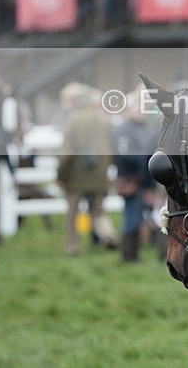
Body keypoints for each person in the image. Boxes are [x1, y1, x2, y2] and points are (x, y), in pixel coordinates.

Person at [56, 85, 114, 256]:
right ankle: (108, 236)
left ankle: (72, 246)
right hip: (100, 175)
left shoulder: (72, 122)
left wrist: (60, 175)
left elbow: (66, 155)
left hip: (76, 177)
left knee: (72, 212)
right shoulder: (105, 120)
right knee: (98, 211)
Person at [113, 89, 160, 262]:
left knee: (137, 216)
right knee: (131, 218)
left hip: (142, 180)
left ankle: (133, 254)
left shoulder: (142, 128)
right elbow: (124, 154)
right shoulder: (124, 129)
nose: (142, 110)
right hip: (131, 179)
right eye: (138, 107)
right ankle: (129, 255)